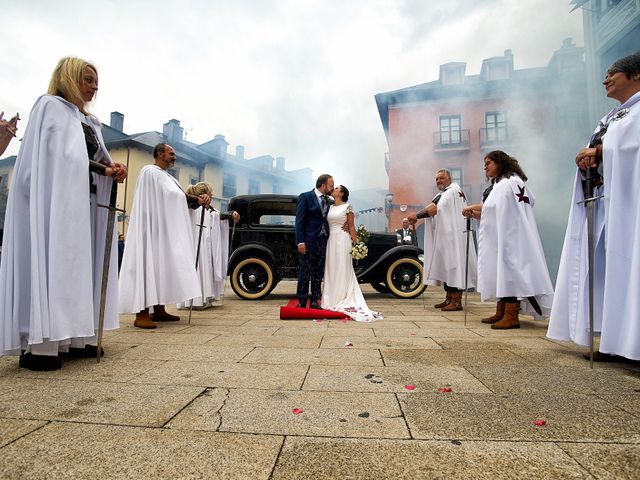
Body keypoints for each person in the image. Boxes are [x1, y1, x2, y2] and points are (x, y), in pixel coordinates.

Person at [0, 57, 127, 370]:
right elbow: (57, 157)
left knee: (79, 268)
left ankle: (74, 336)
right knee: (55, 264)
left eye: (96, 82)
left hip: (84, 203)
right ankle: (41, 346)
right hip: (56, 204)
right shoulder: (50, 107)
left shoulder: (89, 122)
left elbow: (92, 158)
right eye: (87, 79)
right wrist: (103, 167)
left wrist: (112, 170)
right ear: (69, 77)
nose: (94, 87)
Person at [548, 52, 640, 361]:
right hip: (605, 203)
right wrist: (588, 157)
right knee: (606, 270)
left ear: (636, 75)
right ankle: (615, 341)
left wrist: (599, 150)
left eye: (613, 73)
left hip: (630, 206)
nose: (605, 80)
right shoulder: (612, 117)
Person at [118, 143, 210, 328]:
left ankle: (159, 309)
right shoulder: (149, 172)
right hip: (150, 230)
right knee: (147, 266)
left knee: (161, 267)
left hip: (162, 233)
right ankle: (141, 313)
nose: (174, 157)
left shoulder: (168, 177)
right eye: (171, 154)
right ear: (159, 154)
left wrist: (198, 201)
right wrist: (195, 199)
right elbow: (172, 198)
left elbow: (178, 198)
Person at [462, 150, 553, 329]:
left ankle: (511, 315)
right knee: (502, 270)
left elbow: (494, 208)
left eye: (488, 163)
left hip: (511, 235)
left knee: (511, 271)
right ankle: (502, 310)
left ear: (500, 162)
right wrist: (476, 213)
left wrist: (473, 208)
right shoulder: (506, 183)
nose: (485, 167)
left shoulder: (508, 183)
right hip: (507, 234)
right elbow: (495, 210)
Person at [408, 169, 477, 311]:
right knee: (448, 266)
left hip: (453, 236)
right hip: (447, 235)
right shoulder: (443, 193)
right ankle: (449, 298)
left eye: (441, 178)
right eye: (436, 179)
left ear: (449, 178)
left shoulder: (452, 191)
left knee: (453, 265)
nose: (438, 181)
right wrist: (418, 214)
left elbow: (436, 209)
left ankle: (456, 301)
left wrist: (417, 216)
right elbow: (432, 204)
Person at [321, 185, 382, 322]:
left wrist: (357, 244)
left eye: (336, 188)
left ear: (341, 193)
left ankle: (342, 296)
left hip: (343, 239)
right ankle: (330, 297)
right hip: (331, 239)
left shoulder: (348, 207)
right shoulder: (330, 206)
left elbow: (352, 226)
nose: (334, 189)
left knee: (343, 267)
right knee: (332, 267)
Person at [177, 182, 239, 309]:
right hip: (197, 244)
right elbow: (212, 216)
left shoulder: (207, 208)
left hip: (206, 243)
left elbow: (216, 216)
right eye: (211, 192)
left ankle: (204, 298)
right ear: (204, 194)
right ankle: (194, 300)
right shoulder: (194, 206)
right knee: (199, 268)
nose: (213, 194)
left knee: (205, 268)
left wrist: (230, 215)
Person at [295, 174, 334, 309]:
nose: (332, 188)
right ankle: (301, 299)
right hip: (308, 240)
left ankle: (315, 299)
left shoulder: (329, 200)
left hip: (323, 239)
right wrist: (300, 242)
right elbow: (299, 221)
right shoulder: (305, 197)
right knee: (305, 269)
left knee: (318, 270)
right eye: (331, 185)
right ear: (323, 185)